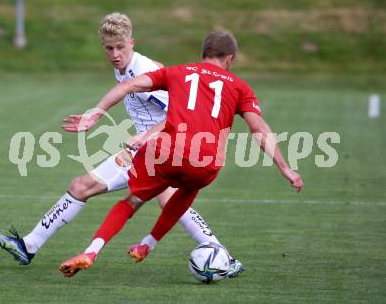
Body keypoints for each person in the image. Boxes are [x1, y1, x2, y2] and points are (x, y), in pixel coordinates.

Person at [0, 13, 243, 277]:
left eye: (120, 47)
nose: (115, 54)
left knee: (158, 199)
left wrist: (145, 136)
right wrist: (99, 116)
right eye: (109, 48)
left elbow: (178, 117)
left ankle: (223, 255)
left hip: (162, 151)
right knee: (85, 187)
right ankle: (29, 245)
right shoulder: (123, 68)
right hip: (146, 151)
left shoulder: (144, 72)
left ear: (132, 42)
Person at [58, 30, 303, 277]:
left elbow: (129, 85)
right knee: (185, 193)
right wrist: (285, 168)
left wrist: (96, 114)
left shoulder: (176, 72)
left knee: (132, 201)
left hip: (166, 153)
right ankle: (147, 244)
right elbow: (258, 129)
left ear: (203, 53)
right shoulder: (240, 87)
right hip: (206, 163)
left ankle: (91, 251)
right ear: (229, 58)